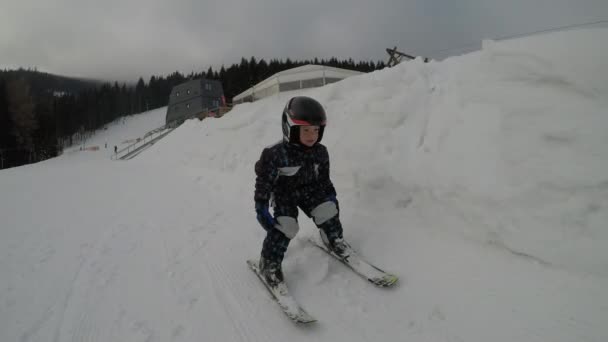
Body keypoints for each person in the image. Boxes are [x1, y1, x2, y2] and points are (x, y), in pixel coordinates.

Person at [254, 96, 349, 287]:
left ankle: (333, 238)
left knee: (328, 210)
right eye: (305, 130)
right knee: (286, 226)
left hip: (310, 190)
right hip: (284, 194)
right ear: (290, 128)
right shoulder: (274, 154)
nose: (311, 135)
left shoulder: (320, 152)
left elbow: (323, 179)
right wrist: (261, 206)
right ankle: (269, 262)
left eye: (315, 130)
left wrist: (331, 196)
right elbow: (264, 182)